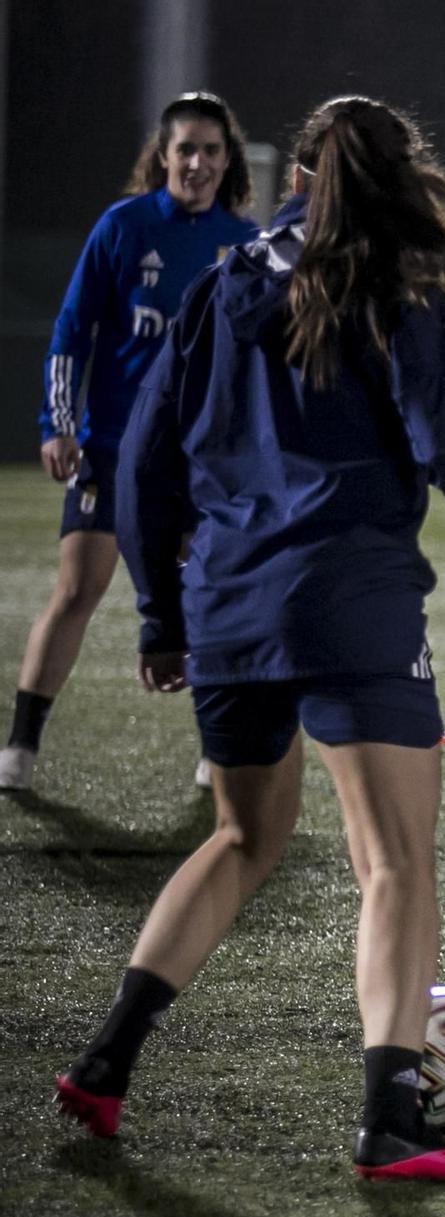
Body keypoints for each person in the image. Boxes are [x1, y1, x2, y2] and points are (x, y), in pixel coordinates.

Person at [51, 96, 445, 1182]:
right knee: (395, 863)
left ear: (292, 173)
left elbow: (147, 456)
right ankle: (390, 1123)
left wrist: (161, 616)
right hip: (352, 598)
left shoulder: (223, 280)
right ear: (402, 179)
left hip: (229, 602)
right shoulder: (398, 285)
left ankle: (103, 1068)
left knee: (243, 840)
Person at [1, 93, 259, 793]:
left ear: (227, 159)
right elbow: (70, 330)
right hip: (113, 446)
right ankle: (20, 746)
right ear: (163, 156)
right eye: (186, 150)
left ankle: (218, 746)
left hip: (201, 458)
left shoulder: (245, 242)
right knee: (79, 586)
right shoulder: (123, 226)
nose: (199, 163)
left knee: (207, 595)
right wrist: (55, 424)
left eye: (211, 150)